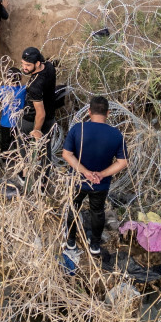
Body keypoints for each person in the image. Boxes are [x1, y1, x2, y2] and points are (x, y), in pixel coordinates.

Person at [62, 95, 128, 256]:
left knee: (73, 207)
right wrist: (101, 174)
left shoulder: (78, 129)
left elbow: (66, 154)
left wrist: (85, 172)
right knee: (97, 212)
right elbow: (122, 162)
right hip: (100, 184)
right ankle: (95, 246)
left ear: (89, 112)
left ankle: (70, 242)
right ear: (108, 113)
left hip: (77, 180)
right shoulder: (116, 135)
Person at [20, 47, 57, 141]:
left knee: (25, 150)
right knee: (45, 150)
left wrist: (36, 130)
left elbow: (40, 114)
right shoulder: (49, 67)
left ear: (37, 63)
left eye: (28, 65)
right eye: (23, 63)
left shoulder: (35, 86)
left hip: (33, 120)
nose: (24, 67)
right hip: (50, 117)